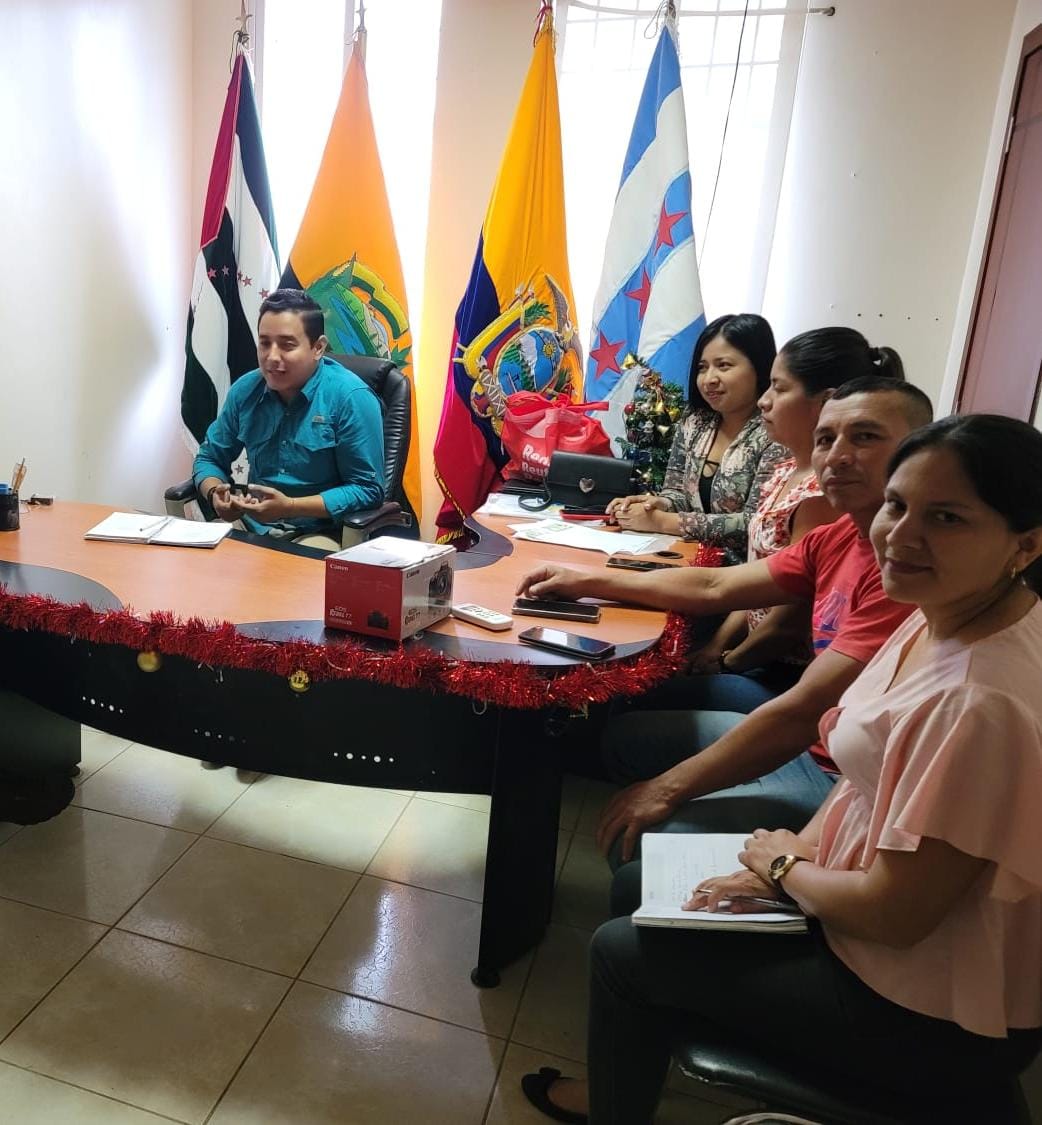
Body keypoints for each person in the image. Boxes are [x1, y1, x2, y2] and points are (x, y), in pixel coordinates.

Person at [522, 414, 1042, 1125]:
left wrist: (782, 868)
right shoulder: (937, 614)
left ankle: (617, 1104)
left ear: (1026, 544)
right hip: (865, 902)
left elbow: (896, 915)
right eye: (898, 505)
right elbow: (861, 775)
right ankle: (635, 1072)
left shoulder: (980, 701)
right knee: (638, 886)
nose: (901, 535)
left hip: (931, 1008)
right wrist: (797, 854)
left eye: (946, 518)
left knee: (621, 952)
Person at [517, 377, 934, 900]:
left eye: (866, 437)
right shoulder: (841, 535)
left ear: (919, 454)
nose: (838, 456)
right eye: (826, 439)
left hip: (841, 780)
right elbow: (716, 585)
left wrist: (666, 791)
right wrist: (587, 581)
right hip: (817, 741)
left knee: (642, 854)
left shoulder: (906, 571)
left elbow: (802, 711)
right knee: (625, 736)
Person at [665, 327, 902, 714]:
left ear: (824, 403)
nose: (764, 401)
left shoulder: (822, 496)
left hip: (782, 672)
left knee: (637, 700)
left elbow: (787, 623)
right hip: (750, 652)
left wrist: (725, 662)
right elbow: (755, 582)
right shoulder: (787, 470)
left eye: (778, 388)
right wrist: (716, 648)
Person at [193, 288, 384, 540]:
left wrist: (290, 507)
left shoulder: (351, 398)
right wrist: (216, 494)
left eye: (287, 345)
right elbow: (209, 458)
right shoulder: (246, 390)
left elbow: (368, 490)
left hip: (320, 532)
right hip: (252, 526)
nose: (272, 357)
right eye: (264, 343)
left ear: (318, 348)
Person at [606, 313, 784, 561]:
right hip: (686, 557)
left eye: (724, 365)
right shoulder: (696, 421)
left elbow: (756, 523)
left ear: (759, 368)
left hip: (743, 572)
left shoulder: (777, 431)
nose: (709, 379)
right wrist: (656, 505)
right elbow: (677, 492)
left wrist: (663, 521)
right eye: (702, 367)